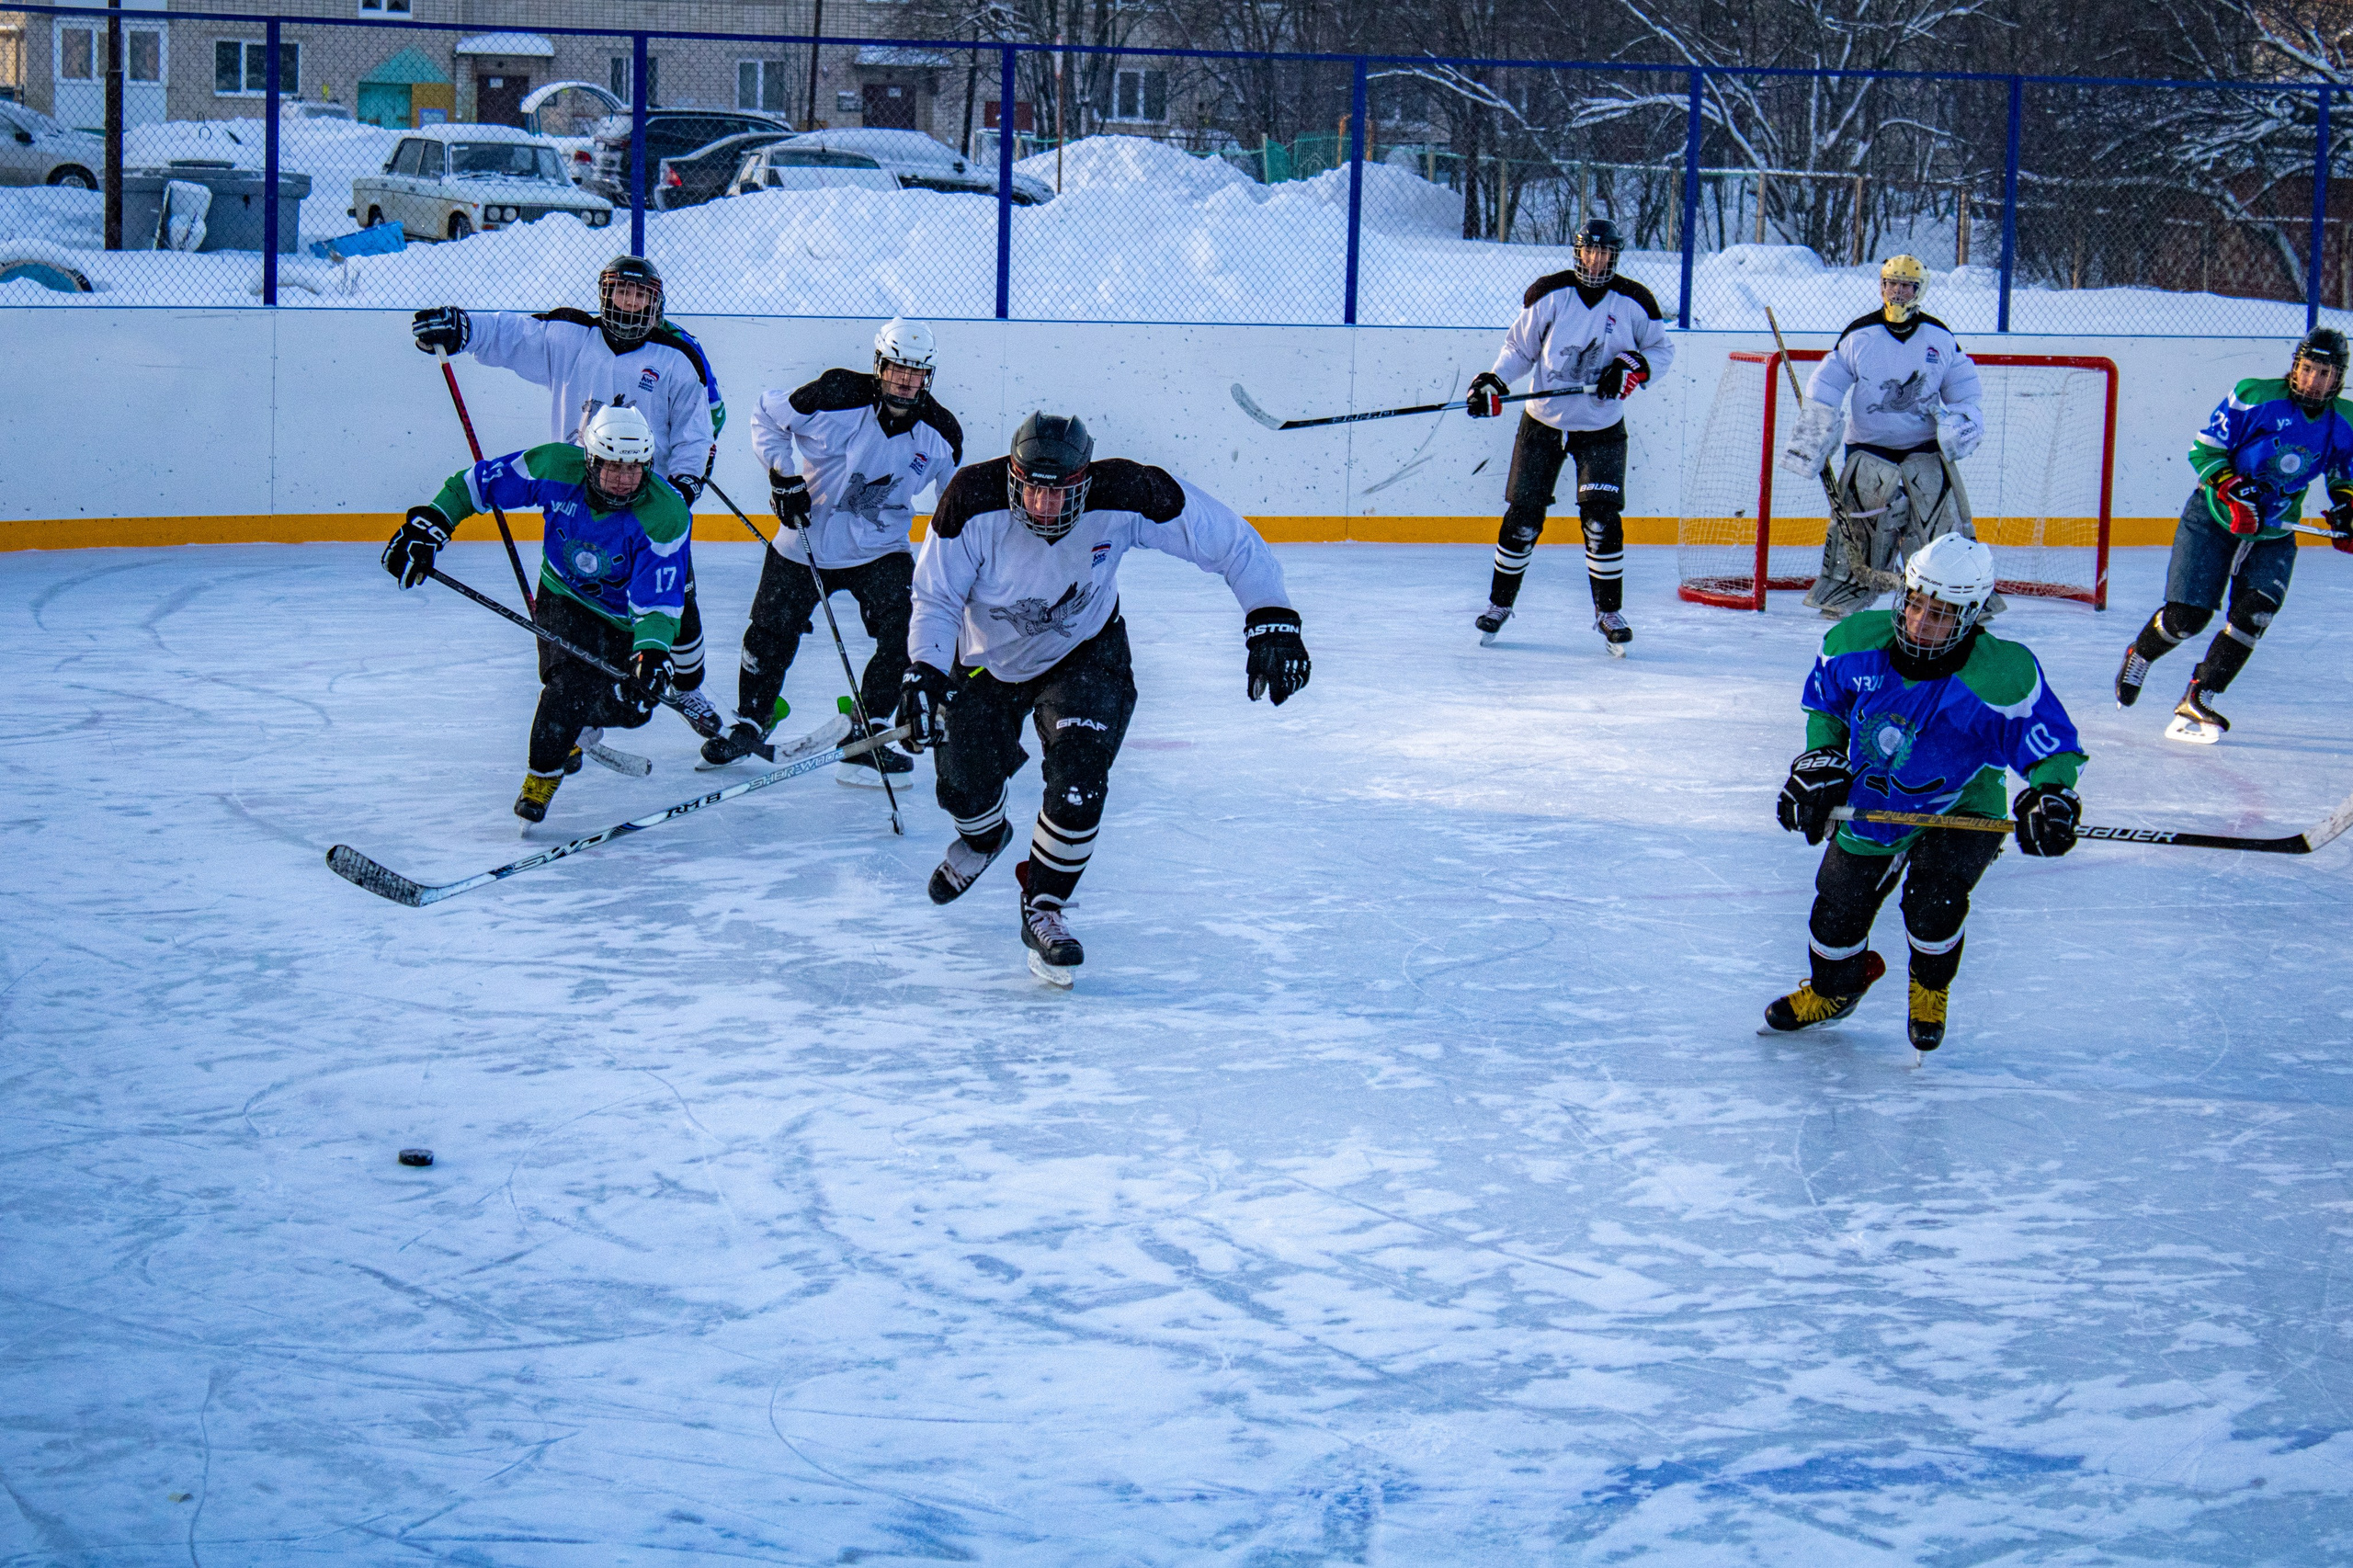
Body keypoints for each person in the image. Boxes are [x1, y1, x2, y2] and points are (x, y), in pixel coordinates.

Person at [895, 413, 1311, 986]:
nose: (1043, 505)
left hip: (1085, 653)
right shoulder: (970, 500)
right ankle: (985, 836)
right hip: (987, 661)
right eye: (1032, 488)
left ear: (1086, 480)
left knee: (1079, 777)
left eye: (1059, 491)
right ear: (1012, 477)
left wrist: (1271, 613)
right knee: (963, 786)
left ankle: (1044, 905)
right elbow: (936, 598)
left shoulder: (1129, 491)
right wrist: (924, 670)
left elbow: (1227, 539)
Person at [1765, 534, 2085, 1055]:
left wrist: (2051, 793)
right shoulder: (1854, 643)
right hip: (1877, 798)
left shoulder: (2000, 676)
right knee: (1835, 909)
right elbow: (1826, 708)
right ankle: (1834, 989)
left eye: (1939, 614)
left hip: (1961, 804)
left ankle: (1930, 988)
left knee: (1934, 903)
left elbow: (2052, 748)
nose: (1919, 622)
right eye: (1914, 604)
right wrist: (1820, 760)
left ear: (1972, 615)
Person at [410, 255, 720, 696]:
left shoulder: (678, 356)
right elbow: (513, 335)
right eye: (621, 292)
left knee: (676, 610)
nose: (629, 303)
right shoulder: (572, 336)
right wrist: (464, 329)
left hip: (647, 507)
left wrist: (684, 487)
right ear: (605, 295)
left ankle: (690, 691)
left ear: (656, 303)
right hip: (579, 499)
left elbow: (697, 431)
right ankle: (573, 711)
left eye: (639, 294)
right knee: (570, 606)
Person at [381, 404, 695, 825]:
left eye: (635, 469)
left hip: (625, 618)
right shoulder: (554, 466)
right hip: (564, 597)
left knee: (635, 707)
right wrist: (432, 523)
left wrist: (652, 651)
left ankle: (578, 723)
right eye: (613, 468)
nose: (624, 481)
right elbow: (475, 485)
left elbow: (657, 601)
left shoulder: (666, 514)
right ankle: (541, 777)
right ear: (590, 461)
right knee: (569, 687)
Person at [700, 317, 963, 785]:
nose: (905, 380)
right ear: (879, 365)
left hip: (882, 549)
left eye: (916, 372)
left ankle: (871, 725)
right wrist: (783, 476)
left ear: (929, 377)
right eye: (896, 368)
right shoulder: (835, 395)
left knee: (905, 631)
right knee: (768, 634)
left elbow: (953, 512)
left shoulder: (942, 434)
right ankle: (752, 718)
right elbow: (766, 414)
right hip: (807, 538)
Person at [2113, 327, 2353, 741]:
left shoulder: (2345, 420)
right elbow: (2204, 449)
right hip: (2215, 515)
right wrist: (2232, 490)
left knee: (2255, 613)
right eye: (2308, 368)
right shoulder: (2254, 396)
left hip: (2274, 529)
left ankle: (2200, 694)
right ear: (2295, 367)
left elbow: (2343, 473)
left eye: (2324, 373)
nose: (2314, 380)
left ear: (2339, 378)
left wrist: (2348, 509)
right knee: (2187, 619)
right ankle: (2140, 655)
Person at [1468, 217, 1674, 653]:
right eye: (1590, 251)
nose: (1596, 260)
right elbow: (1519, 350)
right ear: (1578, 252)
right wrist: (1493, 381)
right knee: (1523, 518)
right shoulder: (1550, 294)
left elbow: (1661, 350)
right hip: (1543, 422)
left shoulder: (1634, 301)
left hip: (1600, 427)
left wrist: (1631, 366)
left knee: (1601, 520)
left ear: (1615, 256)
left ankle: (1608, 612)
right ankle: (1499, 605)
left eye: (1605, 253)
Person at [1776, 256, 1990, 620]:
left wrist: (1964, 420)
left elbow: (1964, 390)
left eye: (1906, 285)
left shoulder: (1939, 336)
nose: (1898, 291)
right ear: (1882, 286)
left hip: (1925, 450)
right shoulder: (1860, 335)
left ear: (1919, 290)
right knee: (1860, 524)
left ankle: (1951, 597)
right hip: (1868, 450)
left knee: (1938, 525)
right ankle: (1845, 588)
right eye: (1892, 283)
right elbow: (1827, 384)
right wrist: (1816, 427)